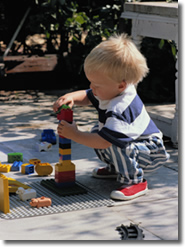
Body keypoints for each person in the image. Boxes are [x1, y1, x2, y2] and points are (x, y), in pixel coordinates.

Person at [53, 34, 170, 200]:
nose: (91, 87)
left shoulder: (120, 108)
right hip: (135, 145)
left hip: (150, 152)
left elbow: (104, 142)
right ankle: (117, 167)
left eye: (96, 85)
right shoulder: (112, 90)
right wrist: (72, 96)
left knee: (111, 141)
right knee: (98, 130)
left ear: (121, 85)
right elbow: (88, 95)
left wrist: (75, 135)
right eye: (91, 82)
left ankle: (135, 181)